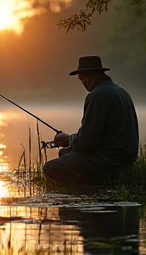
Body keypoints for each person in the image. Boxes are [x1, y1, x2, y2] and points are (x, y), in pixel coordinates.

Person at [43, 56, 139, 186]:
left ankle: (88, 189)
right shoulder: (121, 91)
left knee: (50, 168)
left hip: (110, 159)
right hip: (127, 157)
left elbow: (87, 142)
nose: (82, 83)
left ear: (86, 76)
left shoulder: (97, 95)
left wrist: (68, 139)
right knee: (64, 153)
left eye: (81, 79)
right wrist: (70, 141)